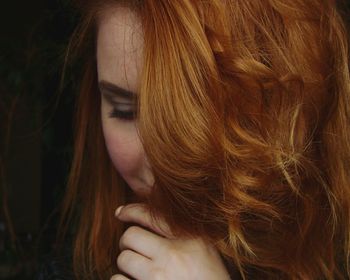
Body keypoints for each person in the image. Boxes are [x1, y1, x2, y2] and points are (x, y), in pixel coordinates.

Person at [56, 0, 350, 279]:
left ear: (283, 110)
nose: (161, 158)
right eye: (124, 110)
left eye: (194, 111)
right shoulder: (70, 260)